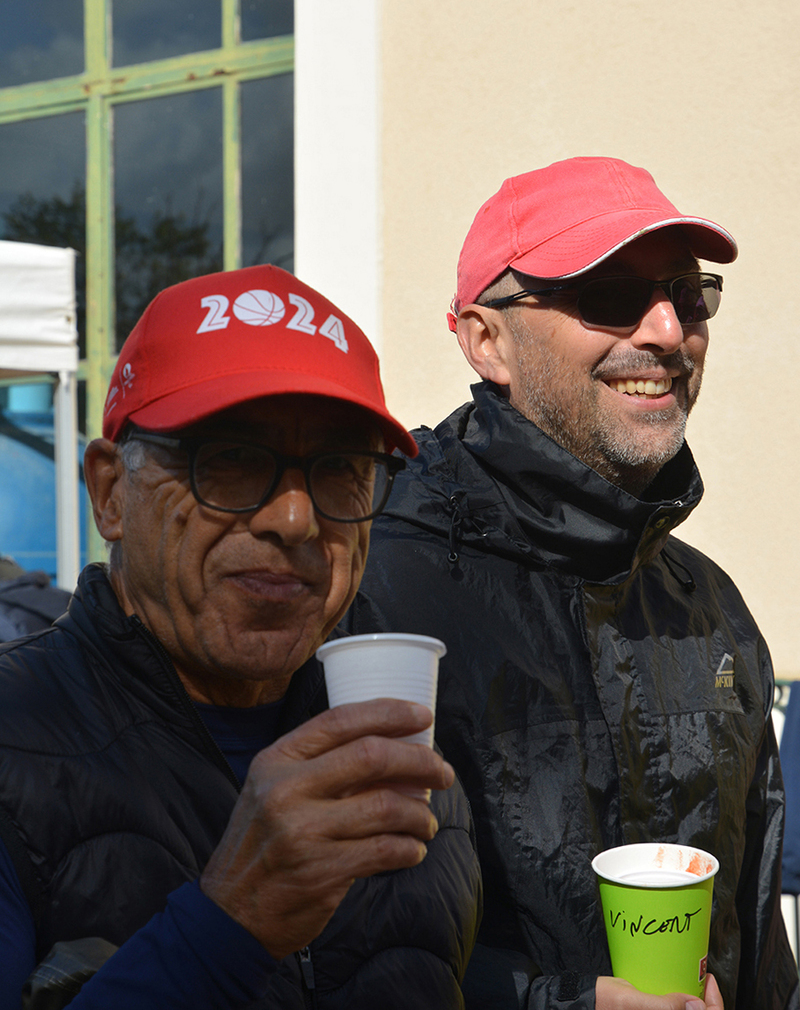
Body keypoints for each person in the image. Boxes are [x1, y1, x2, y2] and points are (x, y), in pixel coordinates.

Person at [347, 156, 799, 1010]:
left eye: (687, 295)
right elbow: (326, 952)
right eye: (610, 294)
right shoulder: (375, 590)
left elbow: (758, 949)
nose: (666, 330)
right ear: (487, 341)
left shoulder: (711, 606)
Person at [0, 264, 481, 1010]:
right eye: (229, 459)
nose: (294, 519)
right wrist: (224, 929)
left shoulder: (408, 753)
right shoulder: (13, 743)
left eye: (340, 469)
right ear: (110, 494)